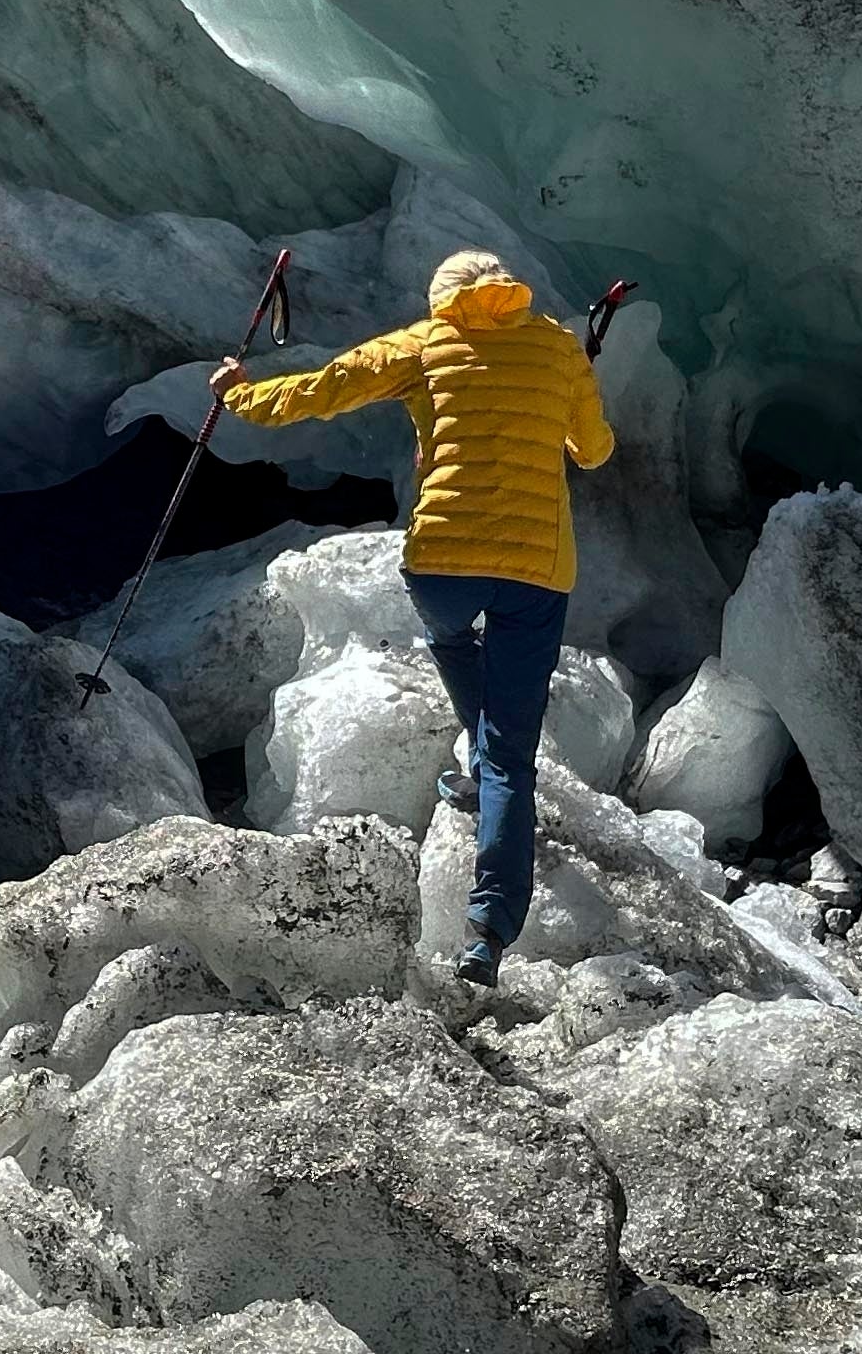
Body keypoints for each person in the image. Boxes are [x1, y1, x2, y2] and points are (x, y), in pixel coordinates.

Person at [211, 248, 614, 985]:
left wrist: (240, 395)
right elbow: (593, 451)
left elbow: (327, 386)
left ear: (445, 296)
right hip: (533, 571)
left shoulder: (423, 343)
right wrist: (554, 417)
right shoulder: (557, 346)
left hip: (443, 561)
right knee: (508, 760)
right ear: (507, 293)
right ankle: (487, 932)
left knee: (450, 635)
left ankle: (477, 759)